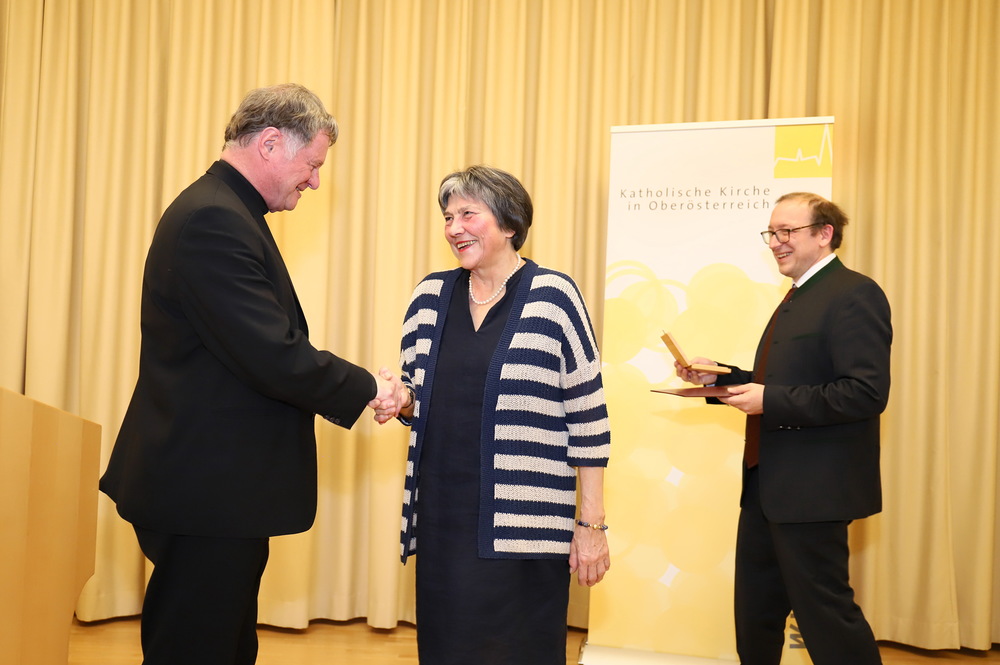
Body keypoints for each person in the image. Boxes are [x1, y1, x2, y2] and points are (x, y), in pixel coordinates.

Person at [100, 83, 404, 665]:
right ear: (269, 144)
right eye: (312, 164)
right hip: (205, 494)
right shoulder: (214, 219)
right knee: (196, 648)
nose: (315, 181)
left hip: (217, 492)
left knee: (226, 644)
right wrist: (369, 388)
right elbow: (272, 353)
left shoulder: (226, 210)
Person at [376, 165, 611, 664]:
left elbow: (588, 416)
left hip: (528, 525)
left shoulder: (555, 296)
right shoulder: (428, 297)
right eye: (448, 217)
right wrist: (402, 398)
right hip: (444, 520)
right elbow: (421, 393)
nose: (454, 228)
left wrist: (591, 524)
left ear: (508, 223)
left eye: (468, 214)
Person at [676, 192, 891, 665]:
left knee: (826, 618)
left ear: (824, 233)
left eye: (786, 232)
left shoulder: (854, 293)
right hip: (765, 486)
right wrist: (720, 379)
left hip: (814, 492)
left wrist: (768, 399)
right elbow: (784, 381)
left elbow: (864, 393)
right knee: (756, 614)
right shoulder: (797, 295)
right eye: (771, 233)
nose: (775, 242)